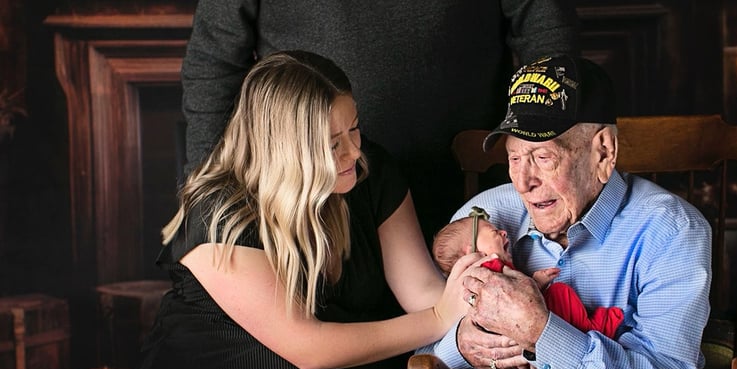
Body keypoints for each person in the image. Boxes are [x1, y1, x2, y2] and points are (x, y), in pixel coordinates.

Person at [115, 50, 477, 369]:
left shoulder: (371, 173)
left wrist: (480, 303)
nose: (352, 151)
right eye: (331, 144)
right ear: (283, 148)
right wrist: (438, 318)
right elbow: (308, 348)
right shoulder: (221, 213)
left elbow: (423, 291)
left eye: (354, 128)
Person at [419, 54, 712, 369]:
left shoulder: (670, 229)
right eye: (514, 158)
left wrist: (541, 331)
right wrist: (462, 344)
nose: (523, 181)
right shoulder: (480, 221)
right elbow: (426, 353)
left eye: (542, 157)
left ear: (603, 152)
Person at [180, 0, 581, 244]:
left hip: (465, 184)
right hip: (307, 202)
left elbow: (547, 35)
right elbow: (214, 63)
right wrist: (208, 200)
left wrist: (543, 155)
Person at [432, 209, 623, 339]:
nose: (504, 232)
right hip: (527, 322)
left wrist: (536, 281)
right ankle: (594, 328)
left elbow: (517, 291)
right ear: (471, 251)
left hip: (526, 320)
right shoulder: (490, 268)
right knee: (560, 294)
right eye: (494, 232)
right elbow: (513, 295)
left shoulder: (490, 272)